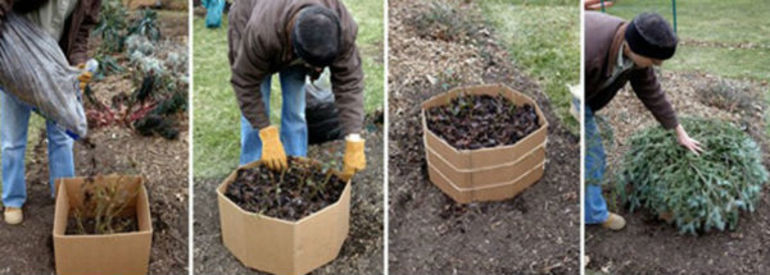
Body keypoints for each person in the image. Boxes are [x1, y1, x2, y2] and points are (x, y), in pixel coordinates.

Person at [584, 11, 703, 230]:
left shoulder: (635, 52)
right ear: (632, 47)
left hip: (586, 95)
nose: (657, 65)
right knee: (593, 155)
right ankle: (592, 214)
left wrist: (679, 131)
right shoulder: (590, 49)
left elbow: (651, 91)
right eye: (654, 60)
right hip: (574, 91)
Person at [228, 1, 366, 179]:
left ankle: (298, 167)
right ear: (296, 49)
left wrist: (353, 137)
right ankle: (250, 168)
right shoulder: (262, 32)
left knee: (296, 108)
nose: (316, 71)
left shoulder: (342, 30)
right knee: (257, 103)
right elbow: (245, 83)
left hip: (290, 32)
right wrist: (266, 132)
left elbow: (349, 81)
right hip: (250, 20)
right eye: (312, 65)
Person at [0, 0, 99, 225]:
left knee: (62, 137)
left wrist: (78, 63)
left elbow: (82, 28)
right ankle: (13, 199)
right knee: (12, 140)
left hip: (56, 63)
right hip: (18, 59)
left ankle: (63, 194)